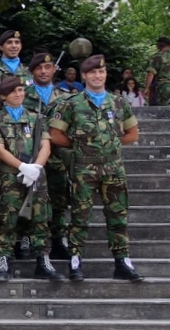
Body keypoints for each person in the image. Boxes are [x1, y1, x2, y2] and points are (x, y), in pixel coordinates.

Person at [49, 55, 142, 281]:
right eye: (92, 73)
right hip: (84, 168)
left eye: (101, 72)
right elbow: (55, 135)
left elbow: (133, 133)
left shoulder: (119, 103)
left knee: (118, 216)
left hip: (113, 168)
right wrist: (81, 146)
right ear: (84, 76)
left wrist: (111, 145)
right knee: (80, 216)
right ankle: (75, 260)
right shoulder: (71, 103)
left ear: (106, 74)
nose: (97, 76)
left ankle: (122, 262)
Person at [0, 75, 55, 281]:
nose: (19, 94)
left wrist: (36, 167)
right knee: (7, 217)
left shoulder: (36, 118)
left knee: (40, 217)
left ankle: (43, 260)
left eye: (21, 91)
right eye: (14, 91)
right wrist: (22, 166)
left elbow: (46, 145)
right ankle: (4, 259)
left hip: (36, 175)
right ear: (4, 96)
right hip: (10, 176)